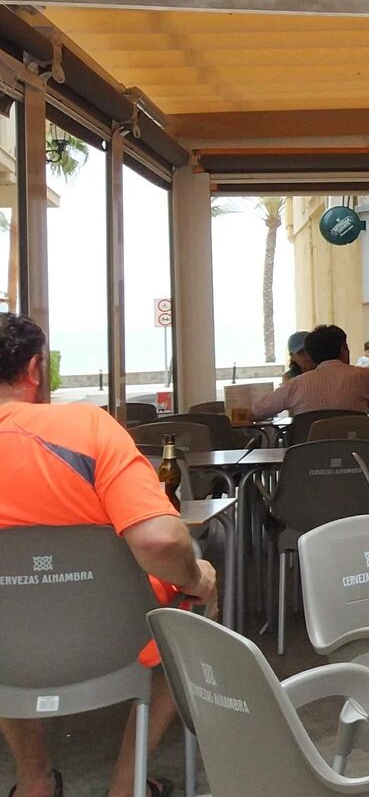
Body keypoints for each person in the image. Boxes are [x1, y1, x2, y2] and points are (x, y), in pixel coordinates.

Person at [0, 314, 218, 797]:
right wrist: (195, 578)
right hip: (113, 641)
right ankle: (126, 783)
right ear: (34, 369)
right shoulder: (86, 428)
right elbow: (161, 541)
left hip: (4, 647)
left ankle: (33, 780)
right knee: (196, 604)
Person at [250, 323, 369, 420]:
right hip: (353, 442)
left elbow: (257, 412)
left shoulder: (295, 384)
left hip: (307, 444)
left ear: (311, 353)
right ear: (344, 348)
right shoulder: (362, 375)